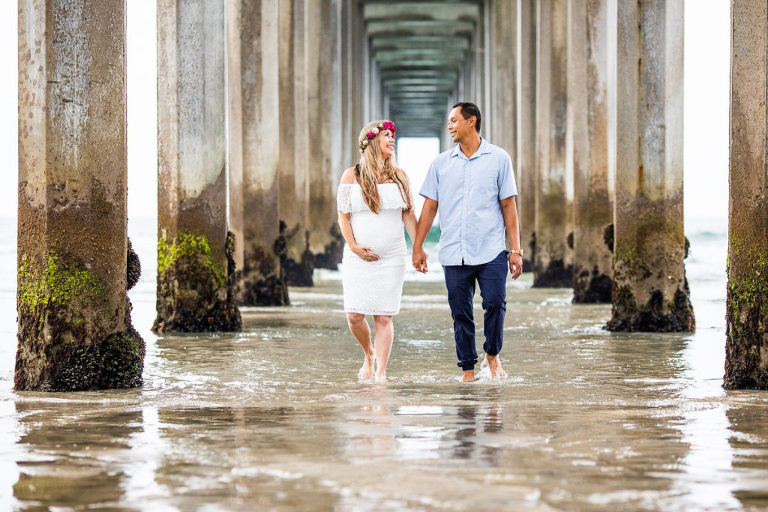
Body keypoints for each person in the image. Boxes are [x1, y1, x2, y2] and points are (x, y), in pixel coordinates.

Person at [412, 102, 523, 383]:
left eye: (454, 120)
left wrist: (516, 250)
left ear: (471, 121)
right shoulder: (440, 163)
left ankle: (492, 354)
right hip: (453, 251)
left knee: (495, 303)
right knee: (460, 312)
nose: (449, 126)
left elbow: (508, 205)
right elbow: (430, 207)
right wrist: (418, 246)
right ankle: (468, 370)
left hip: (491, 250)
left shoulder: (499, 158)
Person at [337, 120, 417, 382]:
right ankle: (368, 353)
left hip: (392, 257)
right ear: (371, 141)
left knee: (383, 317)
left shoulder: (400, 176)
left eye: (393, 135)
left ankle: (381, 374)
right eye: (386, 135)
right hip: (357, 257)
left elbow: (408, 215)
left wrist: (418, 247)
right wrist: (353, 246)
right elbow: (343, 215)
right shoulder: (352, 175)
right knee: (354, 316)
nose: (392, 139)